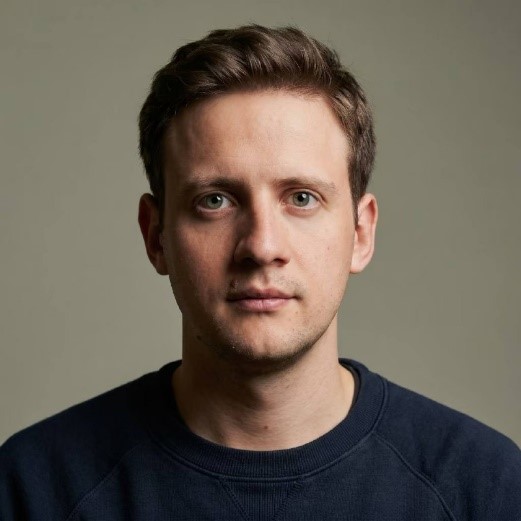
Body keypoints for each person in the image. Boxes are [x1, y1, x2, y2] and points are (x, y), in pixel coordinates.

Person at [1, 24, 519, 521]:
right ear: (156, 236)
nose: (262, 247)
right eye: (215, 200)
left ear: (361, 233)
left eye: (302, 198)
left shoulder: (484, 487)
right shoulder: (34, 489)